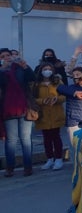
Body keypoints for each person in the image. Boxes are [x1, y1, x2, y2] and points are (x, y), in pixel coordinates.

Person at [0, 48, 36, 177]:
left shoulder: (19, 68)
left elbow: (32, 78)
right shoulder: (1, 71)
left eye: (8, 55)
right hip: (8, 110)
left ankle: (28, 167)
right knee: (11, 140)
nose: (6, 58)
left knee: (26, 139)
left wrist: (25, 66)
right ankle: (10, 168)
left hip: (24, 108)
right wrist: (3, 69)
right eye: (3, 56)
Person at [33, 62, 66, 171]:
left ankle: (58, 159)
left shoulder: (57, 81)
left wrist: (57, 99)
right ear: (41, 71)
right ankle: (50, 159)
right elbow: (32, 99)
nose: (47, 71)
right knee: (46, 138)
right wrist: (42, 101)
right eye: (45, 69)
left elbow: (64, 96)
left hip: (56, 113)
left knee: (56, 137)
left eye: (49, 69)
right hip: (43, 114)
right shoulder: (36, 84)